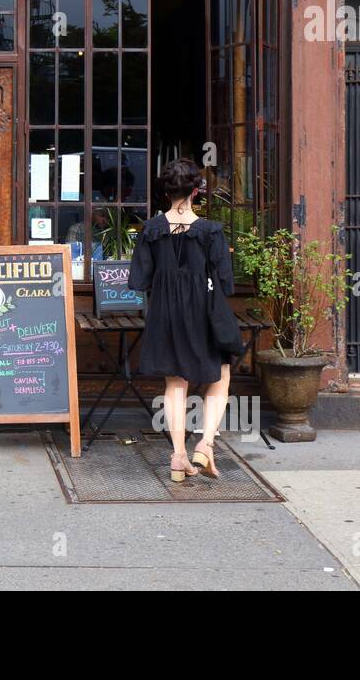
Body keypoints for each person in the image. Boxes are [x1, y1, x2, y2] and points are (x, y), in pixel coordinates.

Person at [127, 158, 235, 483]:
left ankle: (177, 457)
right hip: (201, 311)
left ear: (166, 191)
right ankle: (205, 443)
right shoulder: (210, 231)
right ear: (196, 191)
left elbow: (139, 280)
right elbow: (226, 283)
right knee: (220, 373)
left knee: (175, 382)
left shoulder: (150, 230)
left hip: (164, 312)